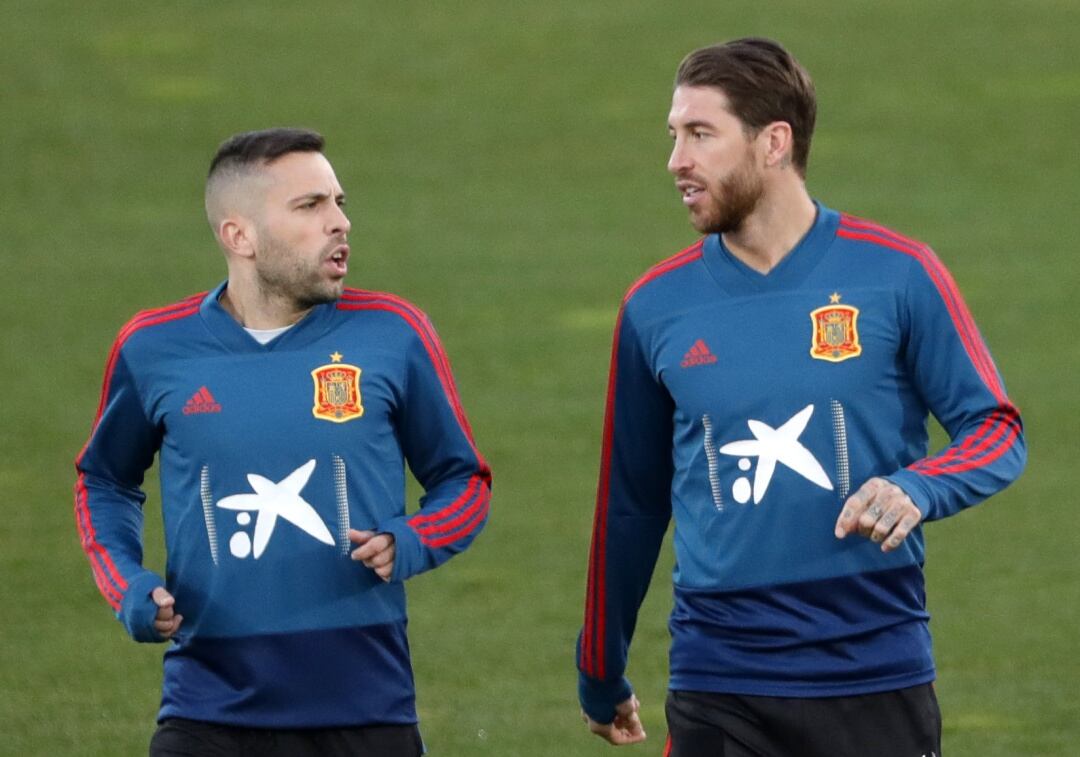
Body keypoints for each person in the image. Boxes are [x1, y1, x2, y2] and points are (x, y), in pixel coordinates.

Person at [576, 38, 1025, 756]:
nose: (676, 161)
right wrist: (600, 667)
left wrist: (919, 487)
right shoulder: (654, 307)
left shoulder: (898, 275)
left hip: (874, 672)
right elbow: (630, 504)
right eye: (673, 136)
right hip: (718, 679)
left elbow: (996, 430)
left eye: (700, 134)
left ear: (774, 143)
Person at [74, 128, 491, 756]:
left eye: (339, 202)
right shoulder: (154, 348)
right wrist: (128, 585)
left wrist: (414, 539)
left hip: (366, 710)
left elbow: (464, 480)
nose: (339, 222)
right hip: (206, 711)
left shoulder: (394, 334)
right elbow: (104, 480)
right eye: (309, 206)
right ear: (238, 236)